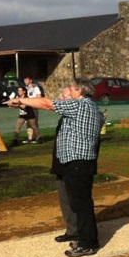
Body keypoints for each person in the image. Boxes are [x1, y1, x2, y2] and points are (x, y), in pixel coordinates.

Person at [9, 78, 104, 257]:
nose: (68, 91)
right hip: (81, 161)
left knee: (81, 204)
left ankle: (88, 243)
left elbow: (46, 103)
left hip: (78, 161)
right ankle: (84, 238)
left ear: (79, 91)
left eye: (71, 88)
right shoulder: (93, 108)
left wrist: (20, 100)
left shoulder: (80, 105)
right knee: (80, 203)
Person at [50, 87, 78, 245]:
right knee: (64, 198)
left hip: (73, 164)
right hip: (60, 164)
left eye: (65, 96)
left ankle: (81, 231)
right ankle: (72, 230)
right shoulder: (65, 117)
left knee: (76, 198)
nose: (62, 99)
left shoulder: (77, 114)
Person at [24, 76, 43, 143]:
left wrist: (33, 102)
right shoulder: (26, 88)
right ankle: (30, 138)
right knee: (28, 123)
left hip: (33, 107)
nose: (25, 82)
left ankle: (38, 137)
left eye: (26, 80)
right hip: (27, 108)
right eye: (24, 80)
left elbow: (39, 96)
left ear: (30, 80)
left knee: (34, 123)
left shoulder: (35, 88)